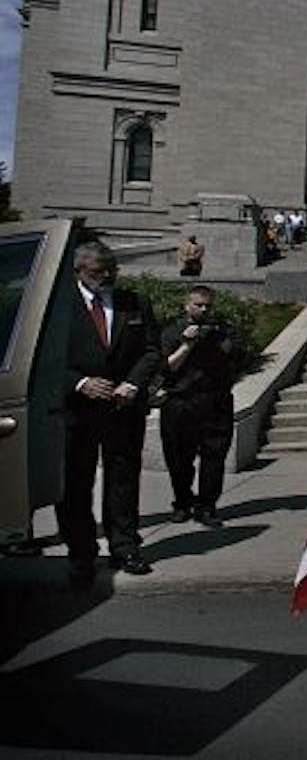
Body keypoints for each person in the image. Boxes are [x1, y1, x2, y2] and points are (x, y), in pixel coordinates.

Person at [61, 241, 161, 585]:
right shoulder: (59, 307)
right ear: (78, 272)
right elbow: (44, 361)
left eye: (112, 270)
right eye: (98, 271)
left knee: (123, 480)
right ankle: (81, 553)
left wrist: (133, 384)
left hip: (123, 409)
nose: (107, 276)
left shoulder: (134, 302)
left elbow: (151, 350)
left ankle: (125, 546)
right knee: (76, 484)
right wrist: (79, 382)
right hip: (77, 413)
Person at [159, 286, 235, 527]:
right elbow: (167, 367)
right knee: (178, 457)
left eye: (207, 305)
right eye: (198, 304)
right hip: (181, 402)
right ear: (187, 305)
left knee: (214, 457)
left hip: (215, 401)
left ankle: (207, 506)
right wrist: (186, 344)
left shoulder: (220, 330)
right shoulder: (172, 332)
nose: (203, 309)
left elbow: (234, 356)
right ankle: (182, 501)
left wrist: (219, 340)